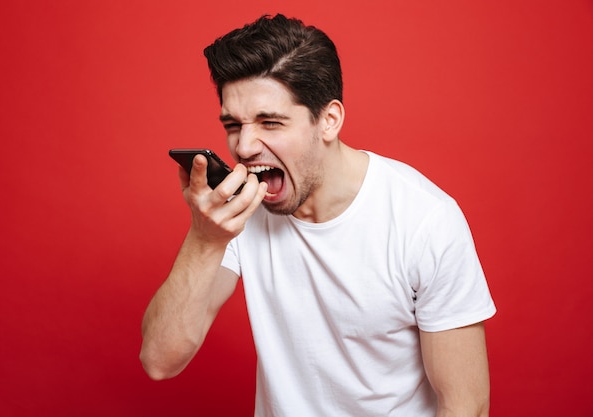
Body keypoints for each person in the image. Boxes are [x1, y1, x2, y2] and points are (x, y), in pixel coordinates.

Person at [140, 13, 496, 417]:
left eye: (269, 122)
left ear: (329, 120)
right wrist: (203, 239)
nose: (244, 146)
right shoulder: (238, 215)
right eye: (233, 125)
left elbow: (466, 405)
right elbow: (159, 359)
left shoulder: (424, 221)